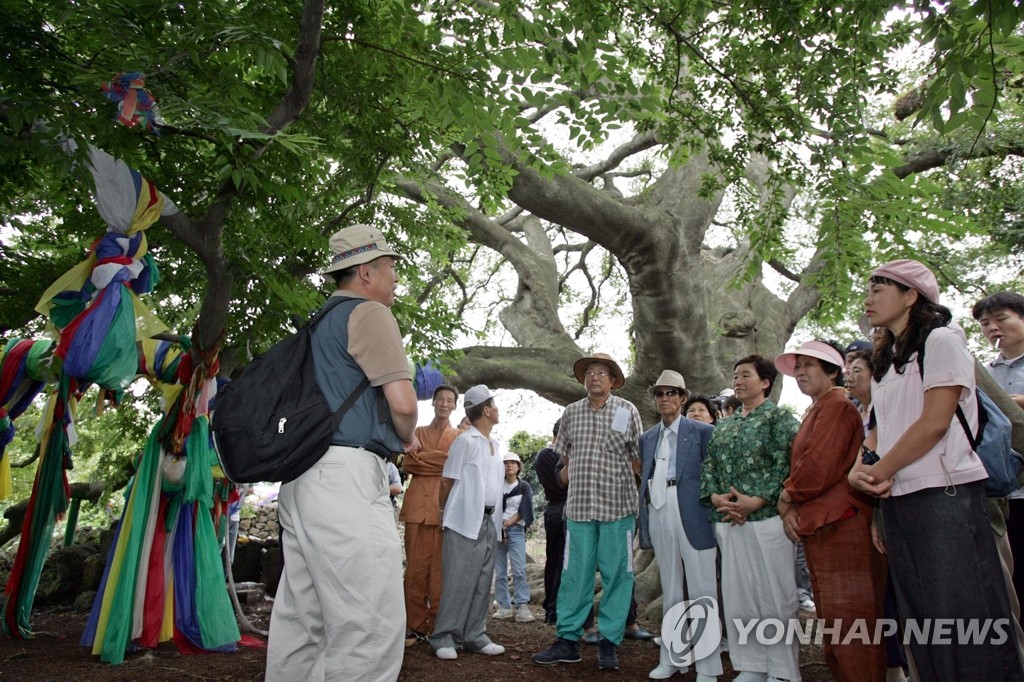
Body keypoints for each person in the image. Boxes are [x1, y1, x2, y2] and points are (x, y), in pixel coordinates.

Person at [849, 259, 1023, 680]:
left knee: (965, 619)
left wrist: (875, 473)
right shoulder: (887, 357)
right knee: (922, 620)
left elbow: (934, 421)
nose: (868, 298)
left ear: (911, 296)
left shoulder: (943, 340)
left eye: (879, 288)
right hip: (899, 499)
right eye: (868, 289)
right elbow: (878, 429)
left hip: (944, 497)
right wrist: (859, 468)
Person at [266, 224, 419, 682]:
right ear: (367, 272)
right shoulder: (370, 314)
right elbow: (404, 404)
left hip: (303, 478)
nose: (395, 278)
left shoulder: (317, 324)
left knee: (303, 620)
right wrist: (406, 435)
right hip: (346, 478)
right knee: (368, 625)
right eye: (391, 268)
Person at [775, 341, 887, 682]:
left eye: (810, 365)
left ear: (833, 371)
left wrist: (786, 497)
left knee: (852, 624)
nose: (801, 372)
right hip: (824, 524)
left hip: (843, 526)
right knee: (834, 623)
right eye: (798, 366)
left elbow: (819, 467)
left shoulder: (837, 407)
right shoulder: (819, 408)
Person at [533, 353, 643, 671]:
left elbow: (637, 460)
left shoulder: (628, 411)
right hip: (579, 510)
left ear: (612, 380)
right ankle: (568, 640)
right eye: (590, 372)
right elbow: (563, 460)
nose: (594, 376)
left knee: (618, 577)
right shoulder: (570, 414)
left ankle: (609, 642)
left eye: (601, 372)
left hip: (618, 509)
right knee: (574, 576)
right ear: (584, 379)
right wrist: (572, 474)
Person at [699, 354, 800, 682]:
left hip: (768, 518)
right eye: (735, 375)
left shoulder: (780, 420)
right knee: (739, 594)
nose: (737, 381)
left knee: (774, 593)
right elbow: (710, 465)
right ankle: (753, 665)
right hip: (728, 520)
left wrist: (757, 500)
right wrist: (717, 497)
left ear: (766, 382)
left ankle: (783, 671)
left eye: (745, 375)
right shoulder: (724, 425)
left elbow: (788, 464)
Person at [639, 370, 723, 681]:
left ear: (683, 398)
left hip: (694, 511)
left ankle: (708, 666)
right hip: (659, 508)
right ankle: (673, 657)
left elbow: (714, 475)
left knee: (703, 588)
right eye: (659, 394)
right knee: (671, 586)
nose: (665, 399)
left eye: (671, 393)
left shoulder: (702, 432)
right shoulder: (647, 438)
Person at [430, 385, 506, 661]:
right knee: (458, 579)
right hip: (463, 521)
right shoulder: (464, 441)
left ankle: (475, 634)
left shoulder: (495, 445)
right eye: (494, 405)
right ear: (486, 410)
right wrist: (442, 512)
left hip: (488, 521)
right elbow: (447, 480)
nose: (497, 410)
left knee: (483, 580)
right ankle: (443, 636)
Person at [401, 384, 460, 644]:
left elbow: (456, 466)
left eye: (449, 400)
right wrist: (443, 460)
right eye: (440, 399)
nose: (444, 404)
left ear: (455, 406)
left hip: (445, 508)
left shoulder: (459, 436)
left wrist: (426, 458)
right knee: (414, 570)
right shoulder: (417, 431)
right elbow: (409, 462)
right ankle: (414, 625)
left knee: (439, 571)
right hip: (415, 508)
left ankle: (437, 625)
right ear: (433, 403)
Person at [493, 452, 536, 622]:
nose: (509, 465)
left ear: (518, 466)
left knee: (519, 569)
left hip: (515, 529)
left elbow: (526, 510)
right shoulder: (497, 486)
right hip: (497, 531)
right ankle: (504, 606)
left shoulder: (523, 486)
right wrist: (500, 527)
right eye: (506, 463)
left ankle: (522, 605)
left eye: (513, 463)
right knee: (500, 571)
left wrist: (509, 523)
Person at [533, 418, 567, 624]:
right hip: (559, 509)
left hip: (556, 510)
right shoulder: (548, 455)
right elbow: (561, 483)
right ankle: (554, 608)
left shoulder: (546, 455)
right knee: (558, 561)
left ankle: (552, 608)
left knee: (556, 560)